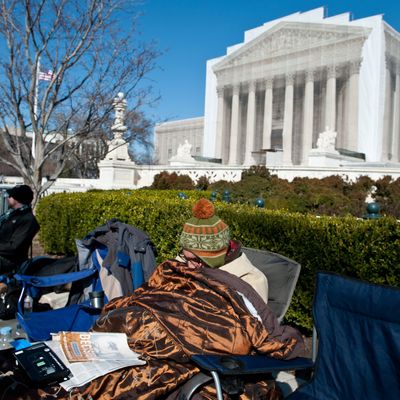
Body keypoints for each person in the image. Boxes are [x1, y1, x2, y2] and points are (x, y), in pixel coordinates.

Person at [179, 198, 269, 303]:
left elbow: (255, 318)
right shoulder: (185, 263)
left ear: (214, 257)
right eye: (186, 258)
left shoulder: (251, 282)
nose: (189, 267)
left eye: (196, 260)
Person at [0, 185, 40, 275]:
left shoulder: (28, 220)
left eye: (10, 196)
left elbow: (14, 247)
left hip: (10, 261)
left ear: (16, 199)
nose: (7, 198)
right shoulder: (10, 215)